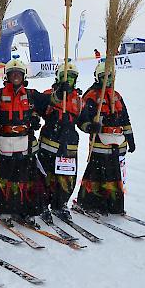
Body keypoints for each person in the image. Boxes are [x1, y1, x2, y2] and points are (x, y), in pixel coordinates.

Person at [0, 55, 69, 223]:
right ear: (7, 76)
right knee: (6, 178)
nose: (16, 76)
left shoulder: (32, 94)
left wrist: (60, 92)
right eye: (12, 73)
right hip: (5, 143)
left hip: (26, 144)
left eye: (19, 73)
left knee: (26, 178)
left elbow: (50, 101)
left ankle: (25, 210)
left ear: (24, 76)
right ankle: (5, 209)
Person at [76, 62, 135, 215]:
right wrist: (90, 127)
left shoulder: (117, 96)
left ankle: (114, 205)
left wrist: (130, 137)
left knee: (114, 175)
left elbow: (125, 119)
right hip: (99, 144)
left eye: (110, 77)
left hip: (117, 143)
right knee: (96, 174)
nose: (107, 81)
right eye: (104, 77)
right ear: (97, 78)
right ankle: (90, 203)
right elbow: (82, 120)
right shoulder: (91, 96)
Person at [37, 62, 90, 220]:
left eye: (72, 78)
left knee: (66, 177)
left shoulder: (79, 100)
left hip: (69, 145)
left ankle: (60, 204)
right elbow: (40, 109)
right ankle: (42, 205)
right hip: (49, 143)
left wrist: (90, 127)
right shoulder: (49, 94)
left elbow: (82, 121)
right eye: (65, 77)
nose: (69, 81)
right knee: (46, 175)